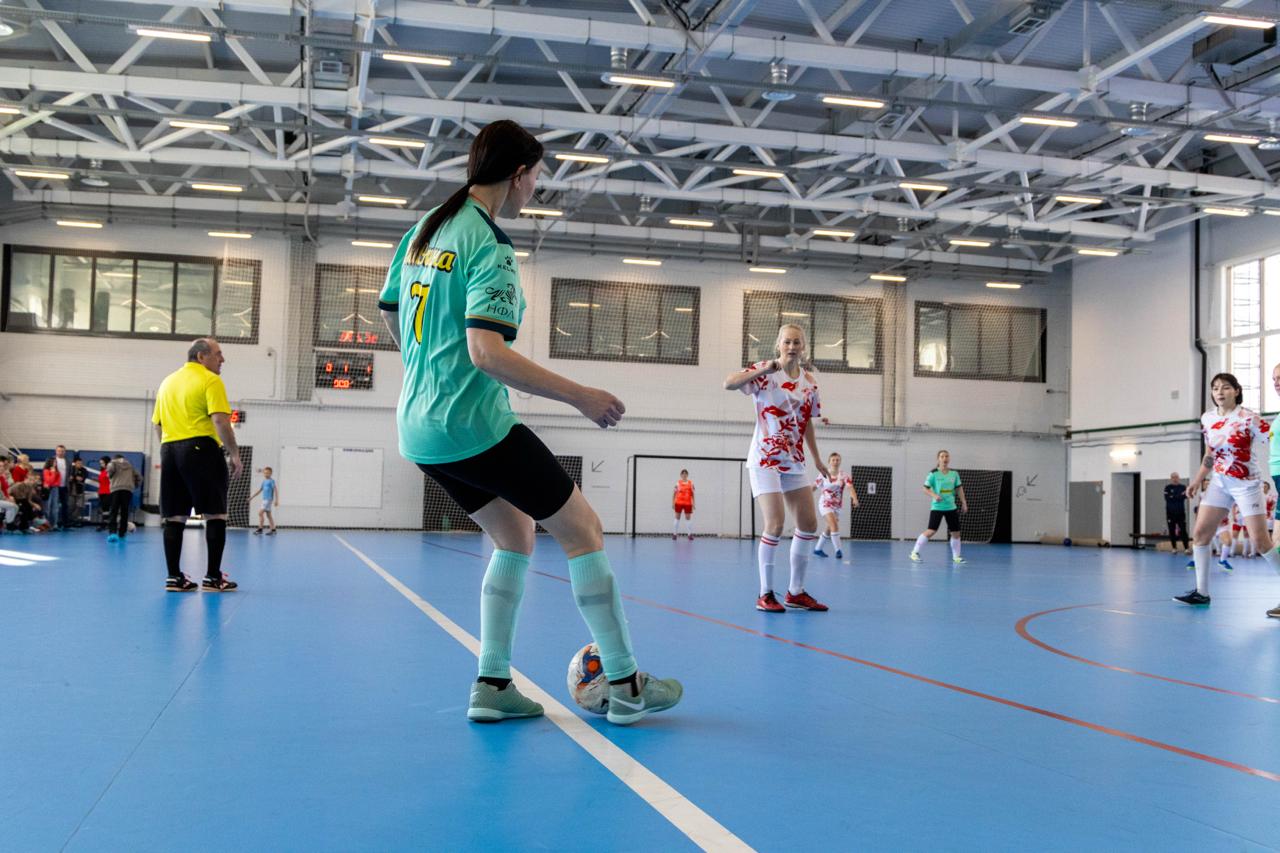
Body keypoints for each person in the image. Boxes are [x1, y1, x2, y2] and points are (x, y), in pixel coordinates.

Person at [378, 119, 680, 725]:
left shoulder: (424, 229)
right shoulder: (488, 245)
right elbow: (486, 353)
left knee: (515, 536)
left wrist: (429, 368)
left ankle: (492, 685)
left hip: (418, 429)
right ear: (518, 174)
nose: (536, 187)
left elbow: (391, 314)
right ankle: (626, 684)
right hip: (474, 425)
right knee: (583, 530)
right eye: (537, 175)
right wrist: (580, 396)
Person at [724, 323, 830, 613]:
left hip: (793, 462)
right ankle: (765, 593)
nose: (792, 347)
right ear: (778, 345)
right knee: (775, 524)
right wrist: (763, 370)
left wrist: (817, 458)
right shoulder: (766, 372)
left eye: (797, 342)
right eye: (787, 342)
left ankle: (795, 592)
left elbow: (806, 422)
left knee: (808, 523)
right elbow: (729, 383)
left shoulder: (810, 382)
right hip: (765, 460)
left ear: (803, 346)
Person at [1177, 373, 1280, 614]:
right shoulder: (1208, 418)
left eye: (1225, 387)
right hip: (1219, 482)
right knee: (1200, 534)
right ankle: (1201, 593)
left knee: (1261, 542)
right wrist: (1197, 481)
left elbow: (1274, 442)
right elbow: (1210, 455)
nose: (1219, 392)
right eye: (1215, 388)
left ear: (1236, 391)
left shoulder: (1250, 419)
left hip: (1246, 483)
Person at [153, 338, 242, 592]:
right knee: (216, 513)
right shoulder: (210, 380)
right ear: (201, 356)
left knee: (175, 516)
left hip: (169, 449)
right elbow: (220, 421)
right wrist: (234, 454)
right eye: (218, 354)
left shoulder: (167, 382)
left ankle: (174, 577)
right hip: (201, 448)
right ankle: (213, 577)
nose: (222, 359)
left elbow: (158, 424)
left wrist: (170, 452)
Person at [910, 450, 969, 564]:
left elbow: (959, 488)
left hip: (951, 507)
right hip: (937, 507)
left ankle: (956, 557)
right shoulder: (933, 473)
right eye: (942, 456)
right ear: (938, 459)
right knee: (931, 531)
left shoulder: (954, 473)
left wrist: (964, 502)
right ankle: (914, 552)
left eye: (947, 456)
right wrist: (934, 495)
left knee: (956, 533)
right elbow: (925, 488)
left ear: (949, 459)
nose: (945, 458)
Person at [812, 451, 859, 559]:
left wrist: (854, 498)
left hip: (837, 506)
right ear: (829, 462)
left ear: (840, 462)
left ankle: (818, 549)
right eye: (833, 460)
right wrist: (805, 497)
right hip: (825, 504)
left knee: (830, 527)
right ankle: (838, 551)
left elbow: (850, 488)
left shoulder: (844, 476)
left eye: (837, 460)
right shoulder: (823, 475)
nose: (835, 462)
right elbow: (814, 487)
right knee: (834, 525)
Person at [105, 454, 140, 543]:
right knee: (125, 511)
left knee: (114, 511)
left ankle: (112, 533)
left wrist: (110, 476)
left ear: (115, 458)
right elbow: (139, 477)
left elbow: (109, 473)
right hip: (128, 490)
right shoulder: (130, 465)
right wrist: (134, 485)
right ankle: (122, 533)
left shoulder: (112, 463)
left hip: (116, 489)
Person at [251, 467, 279, 535]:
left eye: (268, 473)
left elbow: (275, 490)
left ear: (271, 474)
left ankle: (260, 529)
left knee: (260, 513)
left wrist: (276, 500)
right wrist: (251, 497)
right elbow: (260, 490)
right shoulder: (264, 481)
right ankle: (273, 530)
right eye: (265, 473)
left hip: (268, 500)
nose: (266, 474)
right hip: (264, 500)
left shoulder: (271, 481)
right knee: (269, 515)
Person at [671, 469, 694, 540]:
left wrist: (693, 503)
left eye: (685, 473)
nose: (684, 475)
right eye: (683, 473)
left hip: (688, 503)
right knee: (677, 518)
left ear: (687, 475)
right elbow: (674, 493)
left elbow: (692, 494)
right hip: (679, 503)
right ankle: (674, 534)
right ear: (681, 475)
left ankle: (689, 534)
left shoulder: (691, 483)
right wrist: (673, 503)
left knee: (688, 518)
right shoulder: (678, 483)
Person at [40, 457, 62, 531]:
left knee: (55, 508)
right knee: (47, 507)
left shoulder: (57, 471)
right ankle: (47, 524)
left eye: (56, 462)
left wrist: (53, 481)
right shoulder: (46, 471)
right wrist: (53, 473)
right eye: (54, 462)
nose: (55, 463)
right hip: (48, 490)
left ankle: (54, 524)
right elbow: (49, 481)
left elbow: (58, 482)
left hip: (55, 489)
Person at [51, 445, 70, 530]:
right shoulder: (51, 460)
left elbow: (69, 472)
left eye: (62, 451)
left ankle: (65, 524)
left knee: (65, 505)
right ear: (56, 451)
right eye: (59, 451)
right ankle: (54, 523)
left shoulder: (68, 461)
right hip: (55, 486)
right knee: (54, 506)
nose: (60, 452)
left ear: (65, 452)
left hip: (64, 486)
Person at [67, 456, 88, 528]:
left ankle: (73, 519)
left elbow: (81, 478)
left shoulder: (84, 470)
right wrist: (74, 478)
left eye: (81, 463)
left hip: (80, 491)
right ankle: (68, 521)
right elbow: (69, 478)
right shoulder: (70, 469)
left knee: (80, 506)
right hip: (71, 491)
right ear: (75, 463)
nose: (80, 464)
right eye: (78, 463)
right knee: (71, 506)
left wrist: (74, 478)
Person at [95, 456, 111, 530]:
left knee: (106, 509)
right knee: (104, 509)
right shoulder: (102, 471)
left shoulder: (110, 471)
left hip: (108, 492)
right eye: (100, 463)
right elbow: (102, 481)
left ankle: (105, 524)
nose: (101, 464)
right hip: (101, 492)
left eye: (102, 463)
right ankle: (105, 524)